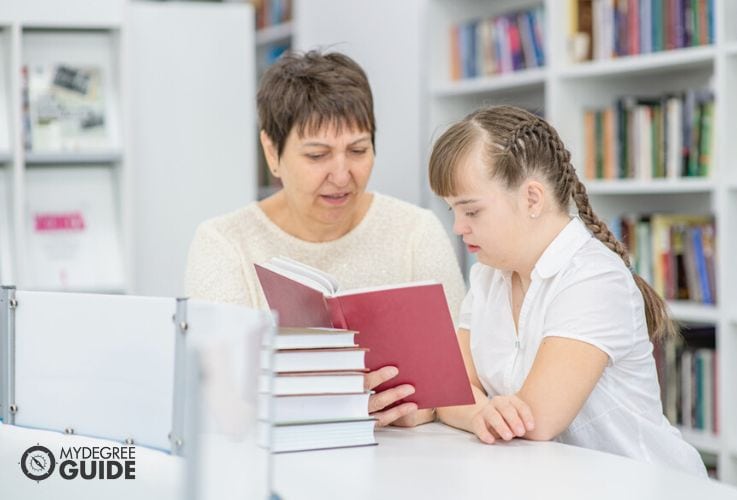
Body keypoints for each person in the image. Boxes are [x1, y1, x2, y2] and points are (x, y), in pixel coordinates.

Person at [185, 50, 464, 428]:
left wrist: (423, 407)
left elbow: (462, 377)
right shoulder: (224, 243)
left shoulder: (416, 231)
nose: (341, 174)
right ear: (272, 152)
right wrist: (336, 405)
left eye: (358, 150)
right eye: (317, 155)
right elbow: (221, 396)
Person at [429, 105, 706, 476]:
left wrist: (477, 409)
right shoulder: (487, 277)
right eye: (452, 212)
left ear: (532, 198)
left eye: (471, 211)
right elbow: (448, 389)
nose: (458, 228)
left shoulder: (593, 278)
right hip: (550, 482)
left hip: (643, 486)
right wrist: (481, 412)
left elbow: (536, 421)